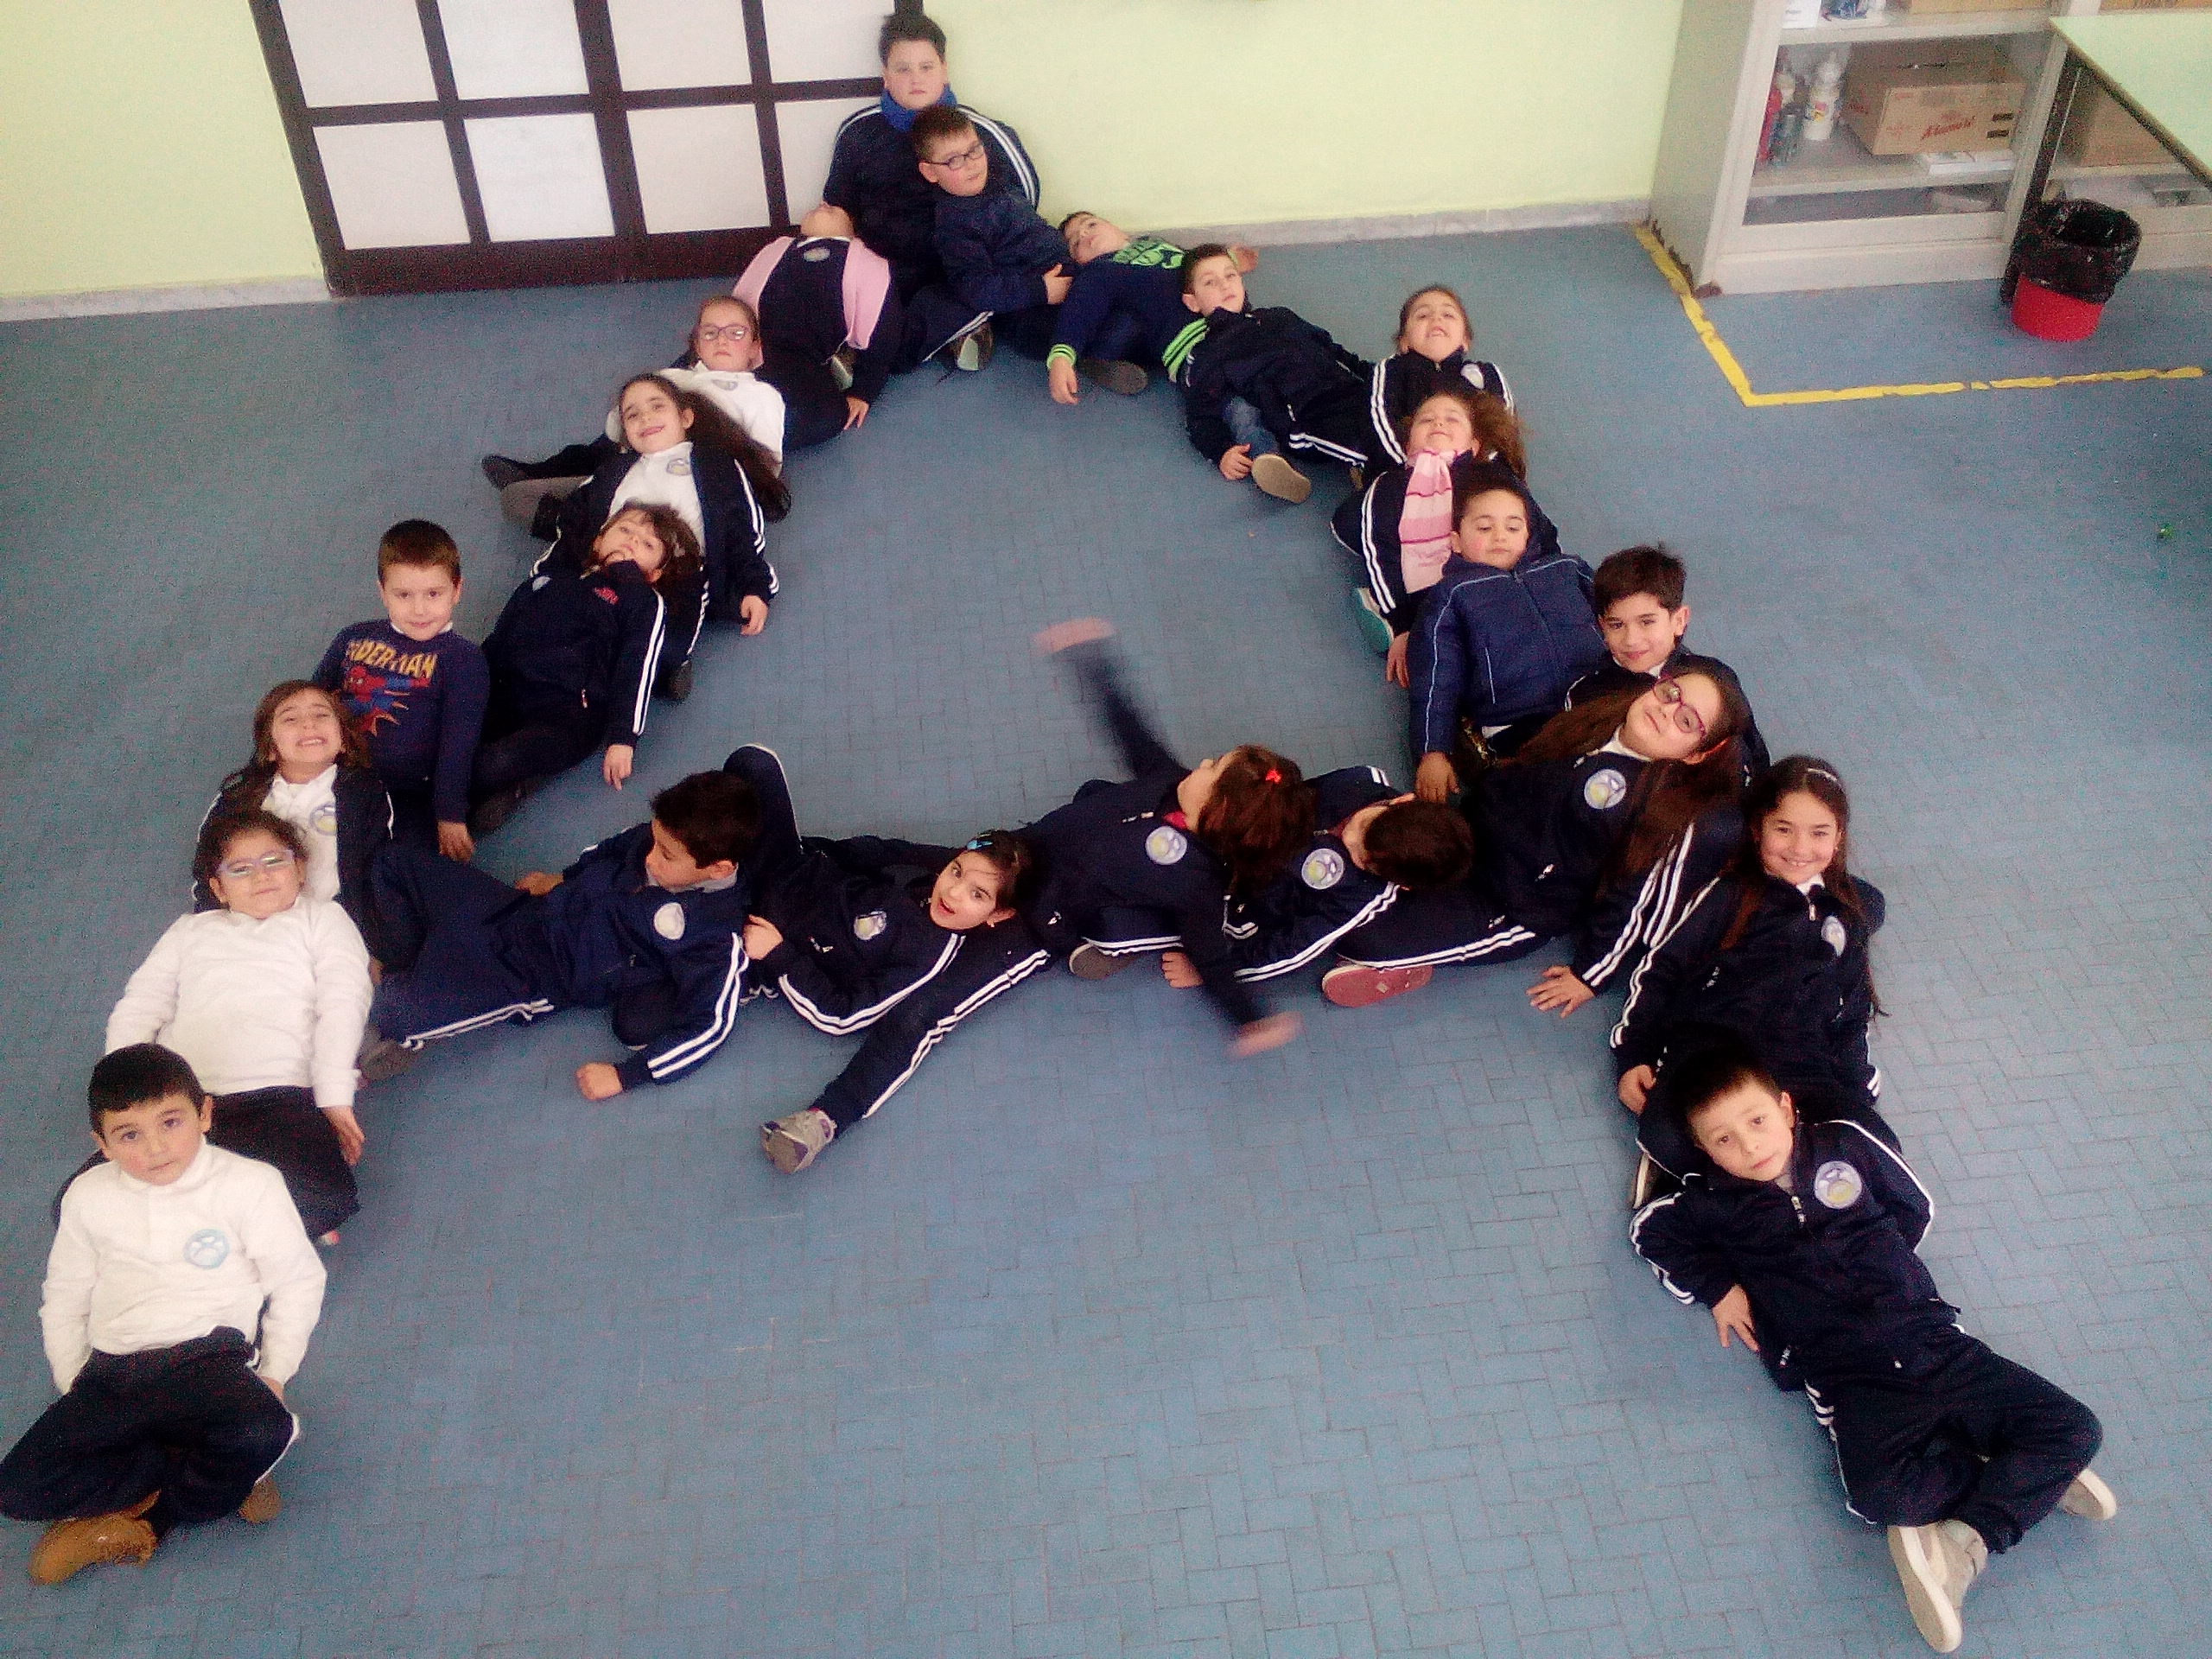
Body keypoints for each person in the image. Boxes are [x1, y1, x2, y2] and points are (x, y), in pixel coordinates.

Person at [1630, 1039, 2116, 1655]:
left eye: (1757, 1121)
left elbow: (1914, 1208)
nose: (1750, 1147)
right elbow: (1649, 1228)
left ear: (1786, 1108)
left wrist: (1888, 1273)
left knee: (2077, 1429)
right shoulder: (1711, 1204)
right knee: (1879, 1500)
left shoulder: (1844, 1147)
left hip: (1935, 1343)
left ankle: (1983, 1521)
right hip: (1851, 1379)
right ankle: (2017, 1483)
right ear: (1704, 1150)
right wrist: (1718, 1287)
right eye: (1724, 1139)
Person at [0, 1046, 323, 1585]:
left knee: (264, 1427)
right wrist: (74, 1381)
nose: (155, 1148)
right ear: (102, 1144)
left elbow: (298, 1280)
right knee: (17, 1489)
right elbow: (65, 1295)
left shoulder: (250, 1184)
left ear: (205, 1114)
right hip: (112, 1372)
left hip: (207, 1361)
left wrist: (274, 1374)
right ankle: (217, 1469)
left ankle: (151, 1521)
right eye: (128, 1134)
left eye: (171, 1122)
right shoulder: (87, 1196)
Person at [1323, 672, 1753, 1012]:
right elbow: (1521, 766)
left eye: (1686, 721)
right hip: (1472, 833)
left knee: (1357, 938)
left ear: (1698, 753)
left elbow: (1632, 902)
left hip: (1510, 906)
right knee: (1357, 826)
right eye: (1671, 693)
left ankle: (1404, 964)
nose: (1666, 710)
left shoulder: (1660, 810)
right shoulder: (1597, 717)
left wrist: (1591, 976)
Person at [365, 762, 768, 1099]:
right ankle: (415, 959)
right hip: (521, 911)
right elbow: (606, 850)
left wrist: (626, 1076)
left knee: (387, 1010)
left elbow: (710, 1028)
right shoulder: (659, 839)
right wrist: (560, 878)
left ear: (718, 868)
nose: (650, 857)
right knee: (393, 863)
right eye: (654, 839)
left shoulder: (716, 937)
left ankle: (418, 989)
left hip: (533, 977)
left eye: (666, 855)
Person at [739, 754, 1048, 1172]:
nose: (953, 893)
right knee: (754, 765)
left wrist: (777, 954)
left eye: (978, 895)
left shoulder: (928, 956)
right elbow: (875, 852)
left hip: (764, 937)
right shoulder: (920, 876)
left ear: (998, 914)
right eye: (956, 872)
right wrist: (809, 852)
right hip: (787, 881)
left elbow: (844, 1016)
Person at [1026, 621, 1312, 1055]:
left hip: (1067, 895)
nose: (1202, 761)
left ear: (1219, 812)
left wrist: (1248, 1020)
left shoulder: (1198, 888)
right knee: (1092, 793)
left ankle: (1096, 949)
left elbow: (1211, 958)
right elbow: (1132, 732)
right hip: (1069, 837)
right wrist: (1093, 664)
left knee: (1037, 916)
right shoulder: (1169, 779)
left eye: (1212, 768)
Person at [1613, 758, 1885, 1191]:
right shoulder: (1729, 895)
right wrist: (1635, 1054)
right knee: (1668, 1134)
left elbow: (1851, 1010)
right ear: (1758, 830)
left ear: (1839, 838)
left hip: (1800, 1056)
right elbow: (1662, 969)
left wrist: (1856, 1084)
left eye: (1819, 833)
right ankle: (1719, 1189)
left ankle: (1778, 1195)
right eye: (1784, 829)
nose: (1800, 848)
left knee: (1869, 1147)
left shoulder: (1846, 915)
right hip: (1716, 1051)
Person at [107, 810, 371, 1239]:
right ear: (218, 888)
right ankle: (222, 1221)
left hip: (280, 1095)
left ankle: (205, 1224)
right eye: (240, 869)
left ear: (300, 869)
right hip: (187, 1103)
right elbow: (139, 1006)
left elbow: (343, 1004)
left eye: (274, 861)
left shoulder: (322, 919)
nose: (260, 876)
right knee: (75, 1205)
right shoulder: (191, 931)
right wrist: (127, 1096)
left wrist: (334, 1098)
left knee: (328, 1198)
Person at [528, 372, 787, 691]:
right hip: (607, 561)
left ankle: (659, 670)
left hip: (676, 571)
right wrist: (550, 574)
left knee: (670, 633)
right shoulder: (617, 468)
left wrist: (754, 586)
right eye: (633, 415)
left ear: (685, 418)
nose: (645, 418)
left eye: (657, 407)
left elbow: (742, 531)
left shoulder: (715, 465)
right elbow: (580, 519)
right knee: (561, 611)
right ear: (625, 433)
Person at [469, 504, 690, 836]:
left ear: (655, 574)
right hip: (507, 689)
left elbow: (637, 664)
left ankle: (514, 786)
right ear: (599, 540)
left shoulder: (642, 601)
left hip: (568, 715)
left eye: (647, 544)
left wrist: (623, 738)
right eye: (625, 530)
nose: (631, 541)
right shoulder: (550, 580)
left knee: (492, 763)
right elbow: (501, 637)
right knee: (444, 741)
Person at [483, 296, 791, 521]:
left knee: (530, 496)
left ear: (755, 347)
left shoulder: (761, 396)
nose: (721, 340)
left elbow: (766, 465)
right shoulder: (672, 377)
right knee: (527, 492)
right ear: (696, 344)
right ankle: (543, 478)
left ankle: (588, 525)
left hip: (684, 481)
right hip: (627, 458)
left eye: (736, 332)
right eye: (710, 332)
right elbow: (614, 427)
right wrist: (637, 414)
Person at [1160, 767, 1473, 988]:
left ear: (1402, 885)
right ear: (1402, 801)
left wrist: (1213, 967)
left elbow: (1293, 949)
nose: (1350, 840)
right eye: (1365, 826)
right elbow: (1280, 796)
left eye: (1364, 860)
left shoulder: (1363, 898)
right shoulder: (1358, 781)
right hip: (1228, 843)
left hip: (1238, 905)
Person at [1406, 463, 1606, 786]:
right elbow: (1435, 678)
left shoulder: (1567, 569)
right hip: (1518, 723)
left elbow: (1623, 615)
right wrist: (1433, 752)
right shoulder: (1452, 595)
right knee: (1561, 784)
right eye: (1484, 528)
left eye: (1513, 527)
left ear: (1529, 535)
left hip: (1597, 700)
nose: (1500, 536)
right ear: (1456, 541)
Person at [1330, 386, 1552, 677]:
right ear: (1408, 446)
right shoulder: (1389, 486)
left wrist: (1548, 578)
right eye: (1426, 420)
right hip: (1429, 596)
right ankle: (1381, 607)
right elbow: (1382, 552)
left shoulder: (1493, 476)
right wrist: (1403, 624)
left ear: (1474, 445)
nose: (1438, 423)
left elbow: (1536, 527)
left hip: (1497, 579)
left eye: (1452, 419)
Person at [821, 11, 1039, 307]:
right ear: (885, 76)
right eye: (903, 69)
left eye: (926, 67)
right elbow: (838, 209)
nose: (916, 79)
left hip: (965, 277)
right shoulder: (858, 132)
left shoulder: (983, 132)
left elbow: (1025, 200)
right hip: (882, 276)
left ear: (944, 70)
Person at [312, 520, 488, 857]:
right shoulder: (353, 637)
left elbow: (458, 743)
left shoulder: (463, 659)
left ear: (457, 590)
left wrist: (449, 814)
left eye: (433, 594)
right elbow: (309, 701)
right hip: (331, 772)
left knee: (399, 866)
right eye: (403, 595)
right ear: (383, 592)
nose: (419, 610)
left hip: (404, 791)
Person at [193, 681, 393, 956]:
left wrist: (373, 950)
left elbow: (375, 878)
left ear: (344, 741)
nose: (309, 724)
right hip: (248, 937)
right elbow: (208, 871)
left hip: (331, 936)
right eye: (290, 719)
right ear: (270, 748)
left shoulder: (363, 793)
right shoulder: (240, 798)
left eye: (321, 715)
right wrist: (216, 937)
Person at [1166, 245, 1376, 504]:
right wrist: (1221, 451)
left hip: (1347, 388)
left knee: (1401, 410)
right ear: (1193, 302)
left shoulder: (1279, 316)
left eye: (1230, 275)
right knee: (1369, 442)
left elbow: (1330, 346)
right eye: (1210, 282)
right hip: (1306, 417)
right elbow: (1201, 415)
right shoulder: (1210, 352)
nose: (1224, 285)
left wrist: (1368, 371)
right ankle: (1377, 472)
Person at [1566, 543, 1769, 778]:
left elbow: (1751, 754)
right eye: (1617, 625)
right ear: (1602, 627)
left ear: (1679, 621)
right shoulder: (1586, 691)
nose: (1631, 640)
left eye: (1647, 622)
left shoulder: (1715, 681)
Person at [907, 105, 1071, 369]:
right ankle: (1091, 354)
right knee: (1059, 327)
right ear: (930, 172)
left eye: (974, 150)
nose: (971, 164)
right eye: (954, 160)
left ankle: (1104, 345)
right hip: (1030, 303)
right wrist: (1040, 290)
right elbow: (976, 288)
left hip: (1063, 269)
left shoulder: (1000, 184)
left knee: (1113, 283)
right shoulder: (955, 225)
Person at [733, 206, 905, 445]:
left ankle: (743, 437)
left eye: (836, 209)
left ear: (852, 232)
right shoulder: (777, 250)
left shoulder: (868, 265)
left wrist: (864, 391)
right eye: (819, 206)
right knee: (693, 372)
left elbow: (884, 333)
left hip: (800, 360)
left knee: (830, 417)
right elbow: (737, 305)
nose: (824, 205)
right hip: (750, 346)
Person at [1046, 215, 1258, 403]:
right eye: (1075, 243)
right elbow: (1080, 309)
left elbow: (1196, 263)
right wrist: (1062, 355)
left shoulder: (1154, 243)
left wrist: (1229, 261)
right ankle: (1095, 359)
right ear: (1079, 261)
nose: (1084, 234)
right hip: (1177, 332)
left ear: (1120, 230)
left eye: (1091, 224)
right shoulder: (1099, 269)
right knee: (1124, 324)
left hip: (1223, 312)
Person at [1367, 285, 1515, 467]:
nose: (1436, 319)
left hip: (1477, 475)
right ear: (1404, 342)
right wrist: (1412, 468)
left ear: (1465, 340)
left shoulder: (1486, 374)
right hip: (1406, 471)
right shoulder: (1392, 370)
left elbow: (1503, 430)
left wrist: (1471, 471)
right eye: (1423, 316)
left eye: (1448, 315)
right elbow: (1379, 422)